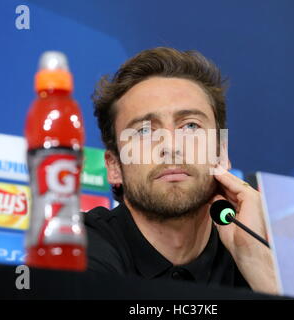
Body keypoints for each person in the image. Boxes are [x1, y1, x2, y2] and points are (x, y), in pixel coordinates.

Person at [86, 47, 277, 294]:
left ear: (221, 153)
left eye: (190, 126)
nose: (171, 146)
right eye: (144, 131)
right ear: (114, 167)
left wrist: (255, 261)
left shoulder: (262, 250)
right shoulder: (81, 246)